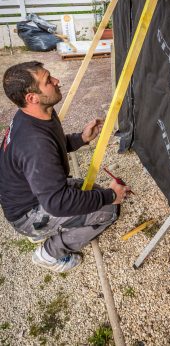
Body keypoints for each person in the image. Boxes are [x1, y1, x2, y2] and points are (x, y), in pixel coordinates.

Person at [0, 61, 130, 273]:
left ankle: (44, 229)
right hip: (28, 212)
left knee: (94, 192)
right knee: (108, 210)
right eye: (48, 80)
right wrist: (110, 197)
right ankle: (49, 254)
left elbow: (53, 147)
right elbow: (56, 202)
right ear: (31, 98)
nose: (57, 81)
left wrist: (81, 138)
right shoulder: (34, 143)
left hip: (32, 194)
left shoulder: (37, 115)